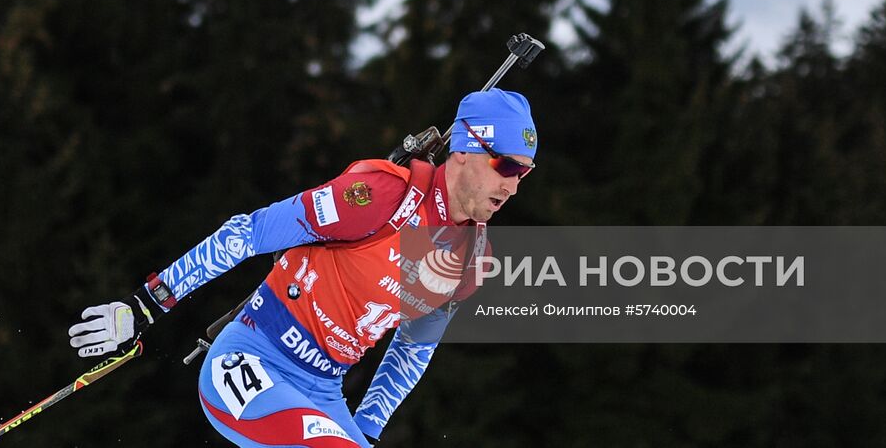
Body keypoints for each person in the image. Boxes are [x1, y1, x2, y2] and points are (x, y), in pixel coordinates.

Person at [68, 89, 538, 446]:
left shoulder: (472, 259)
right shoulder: (382, 196)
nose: (512, 187)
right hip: (252, 359)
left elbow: (412, 350)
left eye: (524, 173)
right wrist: (145, 306)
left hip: (323, 393)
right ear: (463, 149)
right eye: (506, 167)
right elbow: (247, 233)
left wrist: (366, 430)